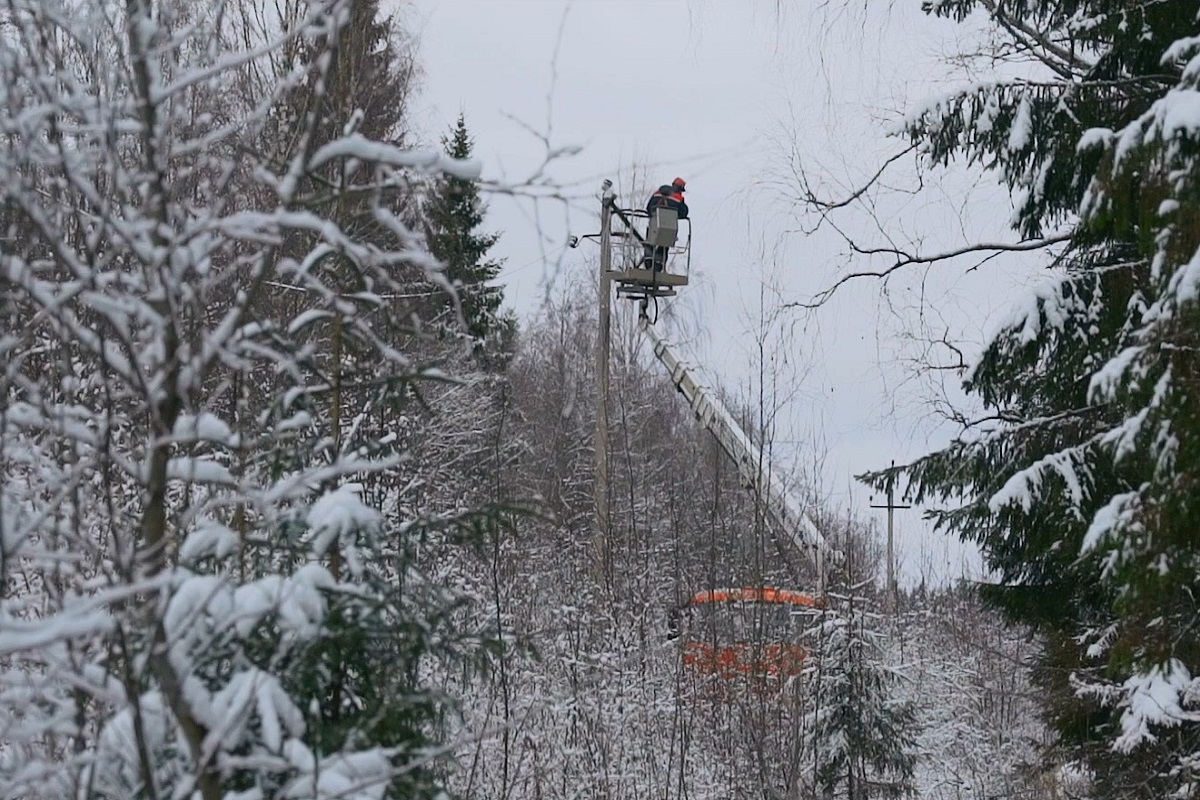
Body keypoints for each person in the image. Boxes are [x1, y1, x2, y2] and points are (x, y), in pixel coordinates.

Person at [643, 178, 688, 270]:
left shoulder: (657, 193)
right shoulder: (678, 198)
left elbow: (648, 208)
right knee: (665, 243)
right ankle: (659, 264)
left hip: (653, 226)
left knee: (650, 240)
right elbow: (683, 212)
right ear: (680, 188)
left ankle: (648, 260)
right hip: (669, 229)